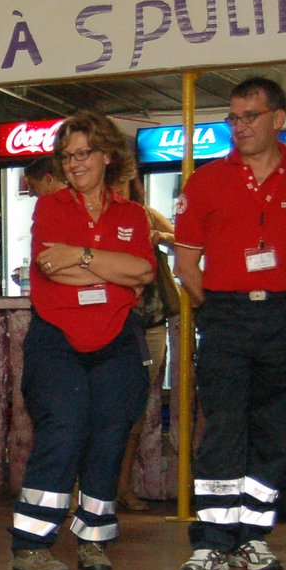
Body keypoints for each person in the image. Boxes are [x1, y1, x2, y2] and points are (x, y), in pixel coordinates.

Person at [173, 75, 286, 570]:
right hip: (224, 315)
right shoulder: (205, 182)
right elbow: (186, 264)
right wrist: (221, 303)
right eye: (233, 117)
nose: (239, 126)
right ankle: (213, 540)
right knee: (222, 425)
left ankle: (254, 536)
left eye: (250, 116)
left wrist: (277, 295)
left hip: (284, 316)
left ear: (277, 119)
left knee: (275, 428)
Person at [9, 111, 154, 570]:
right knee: (64, 429)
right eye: (67, 156)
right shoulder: (50, 207)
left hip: (117, 341)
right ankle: (31, 544)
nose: (74, 164)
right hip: (57, 341)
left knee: (111, 435)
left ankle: (94, 538)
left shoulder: (132, 214)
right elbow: (53, 268)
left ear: (106, 155)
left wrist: (83, 257)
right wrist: (113, 270)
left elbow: (145, 273)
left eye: (83, 153)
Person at [116, 177, 178, 512]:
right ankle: (86, 490)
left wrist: (160, 236)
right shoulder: (96, 215)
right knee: (101, 407)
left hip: (150, 320)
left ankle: (123, 486)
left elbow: (183, 241)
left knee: (136, 406)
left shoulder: (145, 215)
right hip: (112, 318)